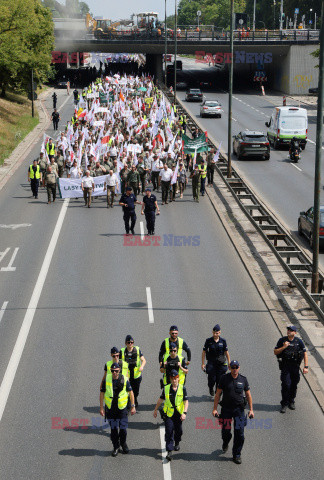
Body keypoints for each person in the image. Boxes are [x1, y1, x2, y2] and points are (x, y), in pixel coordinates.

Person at [213, 360, 254, 465]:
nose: (234, 369)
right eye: (232, 367)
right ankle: (226, 441)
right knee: (226, 432)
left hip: (239, 410)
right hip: (226, 409)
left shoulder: (243, 380)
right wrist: (214, 409)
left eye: (236, 367)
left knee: (240, 434)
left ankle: (237, 454)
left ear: (239, 368)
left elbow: (248, 395)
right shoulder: (224, 378)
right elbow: (218, 394)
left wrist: (251, 410)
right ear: (230, 368)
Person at [100, 363, 136, 457]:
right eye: (112, 371)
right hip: (111, 409)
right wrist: (101, 408)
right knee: (114, 430)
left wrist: (133, 406)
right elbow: (102, 393)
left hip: (122, 409)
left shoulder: (124, 379)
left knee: (123, 429)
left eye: (116, 371)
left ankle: (123, 444)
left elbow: (131, 392)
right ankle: (116, 446)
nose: (114, 373)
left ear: (119, 370)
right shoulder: (107, 378)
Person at [153, 370, 189, 461]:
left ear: (178, 379)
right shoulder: (166, 388)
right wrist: (156, 409)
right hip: (169, 414)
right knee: (169, 431)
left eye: (175, 379)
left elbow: (186, 402)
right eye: (172, 379)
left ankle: (177, 442)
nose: (174, 381)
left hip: (179, 414)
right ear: (170, 379)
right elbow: (161, 399)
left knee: (179, 430)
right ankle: (169, 451)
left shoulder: (182, 388)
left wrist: (184, 413)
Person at [274, 325, 308, 413]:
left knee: (294, 385)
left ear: (295, 332)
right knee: (286, 385)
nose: (289, 331)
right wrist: (284, 347)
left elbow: (305, 354)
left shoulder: (299, 341)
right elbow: (275, 352)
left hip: (295, 367)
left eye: (291, 330)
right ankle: (284, 404)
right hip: (286, 367)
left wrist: (306, 366)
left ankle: (291, 401)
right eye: (288, 330)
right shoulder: (282, 340)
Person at [202, 324, 230, 396]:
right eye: (214, 333)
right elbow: (204, 352)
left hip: (220, 363)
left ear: (219, 333)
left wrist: (229, 363)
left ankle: (218, 393)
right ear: (212, 332)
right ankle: (211, 388)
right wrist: (203, 363)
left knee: (220, 380)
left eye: (217, 333)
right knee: (212, 380)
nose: (215, 334)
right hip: (211, 363)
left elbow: (226, 352)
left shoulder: (223, 341)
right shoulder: (208, 341)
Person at [120, 335, 146, 408]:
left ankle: (135, 399)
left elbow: (143, 360)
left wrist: (142, 366)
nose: (130, 344)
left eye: (132, 342)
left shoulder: (137, 350)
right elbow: (118, 362)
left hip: (136, 376)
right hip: (126, 376)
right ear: (126, 343)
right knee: (127, 390)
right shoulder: (122, 351)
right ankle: (129, 403)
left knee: (135, 391)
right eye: (128, 342)